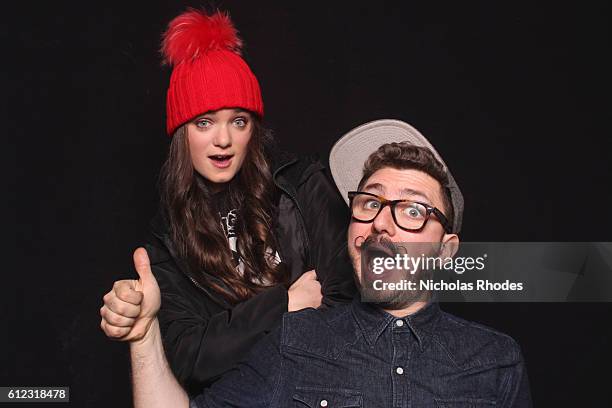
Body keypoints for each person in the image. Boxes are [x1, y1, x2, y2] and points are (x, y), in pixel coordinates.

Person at [125, 119, 532, 407]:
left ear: (446, 250)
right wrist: (144, 339)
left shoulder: (495, 361)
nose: (382, 224)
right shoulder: (294, 343)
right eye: (370, 203)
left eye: (411, 210)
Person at [99, 8, 355, 394]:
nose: (223, 140)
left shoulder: (301, 186)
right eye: (205, 122)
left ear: (253, 128)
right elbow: (189, 357)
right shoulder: (167, 238)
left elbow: (345, 308)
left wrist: (232, 336)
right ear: (182, 133)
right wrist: (283, 303)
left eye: (239, 120)